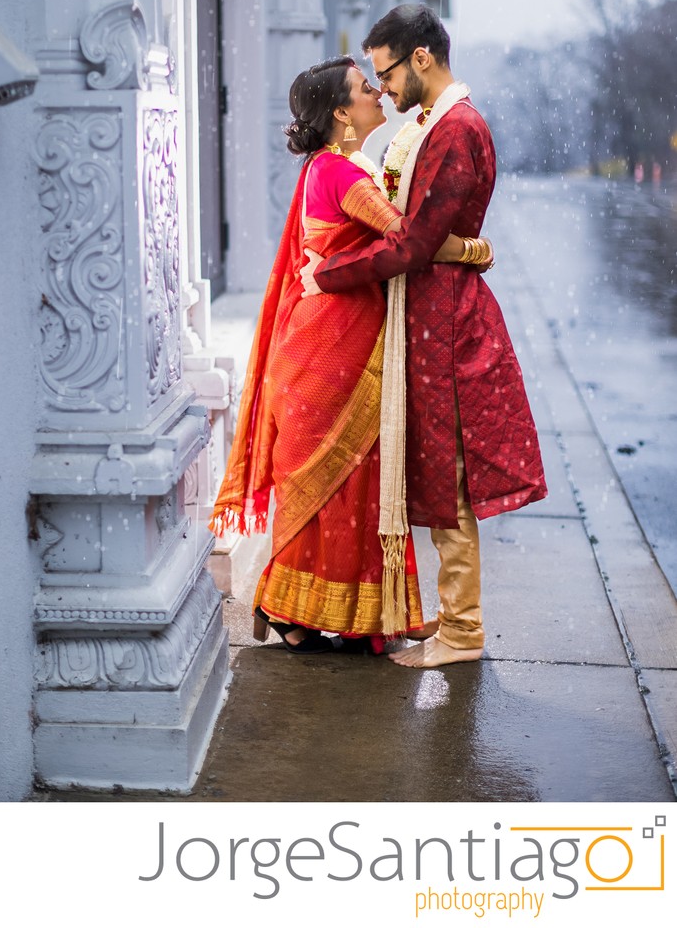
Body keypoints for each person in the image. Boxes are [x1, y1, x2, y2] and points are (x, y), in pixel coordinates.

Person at [209, 55, 491, 654]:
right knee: (338, 489)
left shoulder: (335, 166)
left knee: (346, 489)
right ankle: (292, 610)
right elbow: (408, 242)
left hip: (324, 347)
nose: (378, 92)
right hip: (329, 357)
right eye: (366, 88)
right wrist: (472, 248)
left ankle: (311, 611)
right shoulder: (344, 174)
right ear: (342, 113)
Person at [301, 5, 548, 668]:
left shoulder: (454, 129)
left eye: (385, 73)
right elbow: (425, 239)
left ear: (420, 58)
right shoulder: (437, 124)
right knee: (442, 471)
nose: (380, 89)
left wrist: (329, 274)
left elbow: (411, 242)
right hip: (433, 312)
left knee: (451, 473)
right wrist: (466, 249)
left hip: (446, 323)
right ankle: (455, 612)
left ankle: (462, 631)